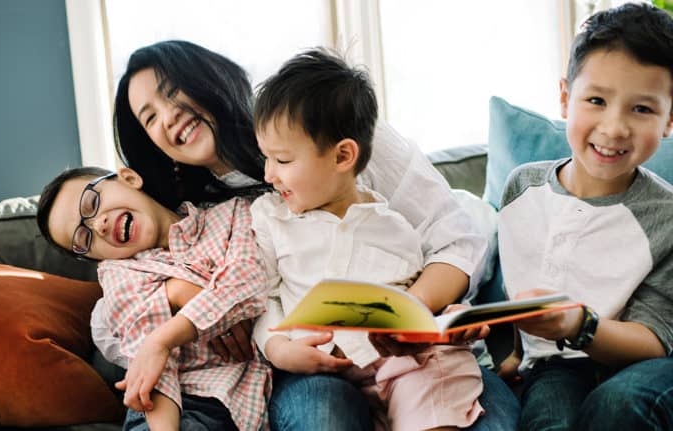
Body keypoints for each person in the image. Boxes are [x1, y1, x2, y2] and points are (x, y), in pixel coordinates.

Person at [108, 39, 520, 431]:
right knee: (324, 412)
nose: (168, 115)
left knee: (489, 419)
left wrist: (409, 311)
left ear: (210, 75)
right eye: (149, 117)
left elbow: (456, 237)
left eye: (170, 91)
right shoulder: (204, 214)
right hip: (305, 363)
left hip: (416, 353)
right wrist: (189, 296)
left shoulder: (329, 124)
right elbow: (114, 311)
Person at [249, 47, 485, 431]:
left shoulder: (393, 223)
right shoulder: (270, 218)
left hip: (408, 364)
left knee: (438, 383)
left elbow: (418, 292)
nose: (268, 174)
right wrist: (279, 349)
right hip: (327, 369)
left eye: (283, 160)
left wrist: (437, 318)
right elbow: (263, 296)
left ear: (343, 156)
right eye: (267, 158)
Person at [495, 3, 673, 430]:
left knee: (617, 404)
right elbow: (517, 289)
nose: (614, 128)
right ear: (564, 97)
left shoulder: (665, 216)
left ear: (670, 119)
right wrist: (511, 356)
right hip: (554, 369)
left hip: (642, 368)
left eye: (642, 109)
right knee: (549, 419)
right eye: (596, 100)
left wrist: (578, 323)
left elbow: (655, 341)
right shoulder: (522, 190)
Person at [36, 166, 271, 431]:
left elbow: (248, 283)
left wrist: (163, 335)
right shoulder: (120, 278)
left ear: (129, 178)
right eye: (83, 237)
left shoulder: (231, 214)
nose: (97, 225)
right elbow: (152, 367)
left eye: (92, 203)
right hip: (182, 399)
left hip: (252, 381)